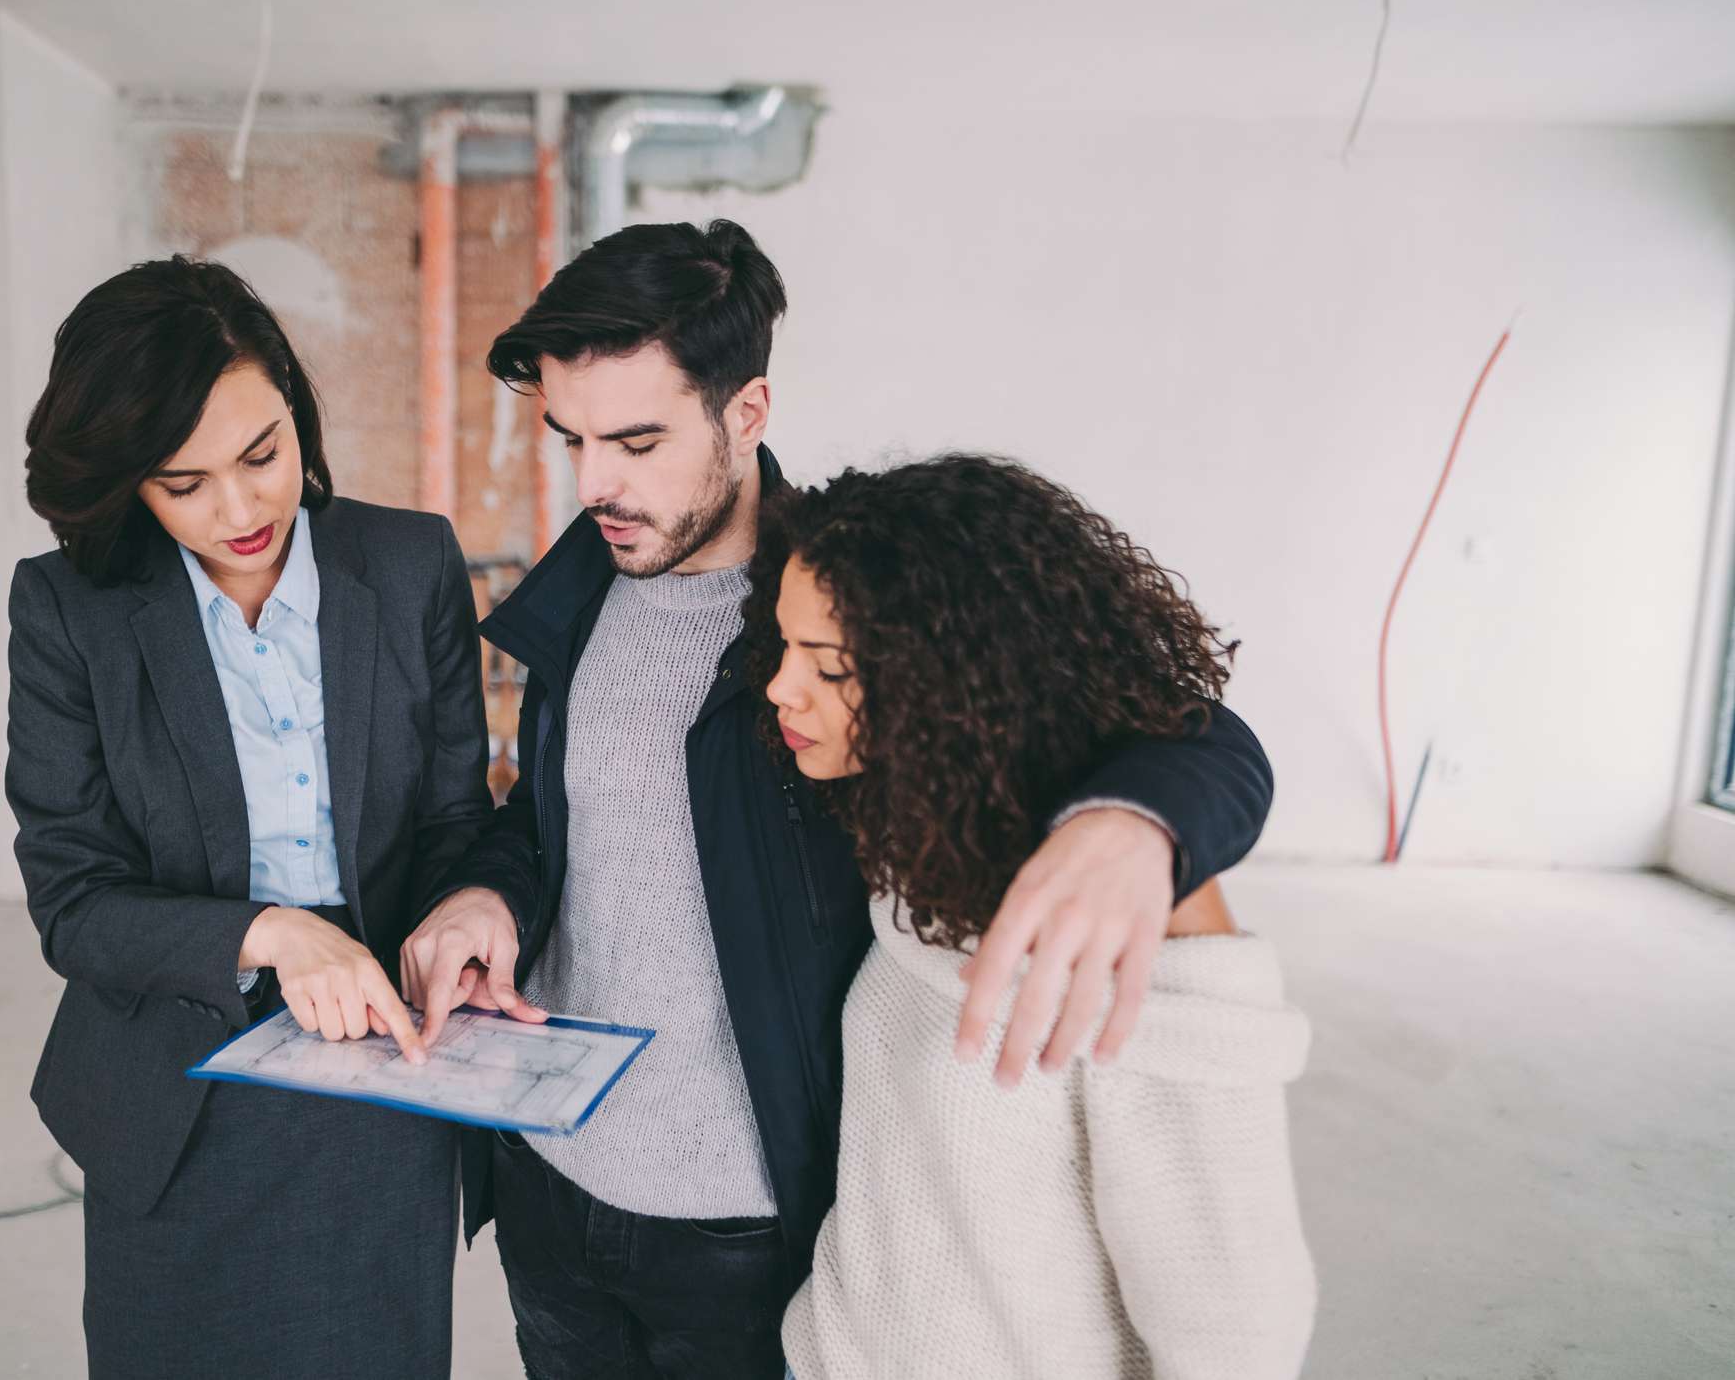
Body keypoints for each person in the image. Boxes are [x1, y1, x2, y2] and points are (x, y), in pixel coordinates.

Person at [399, 219, 1278, 1378]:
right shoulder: (582, 592)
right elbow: (558, 817)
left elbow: (1186, 733)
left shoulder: (845, 603)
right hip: (553, 1190)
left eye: (637, 439)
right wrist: (485, 897)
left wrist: (1131, 826)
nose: (594, 484)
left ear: (747, 412)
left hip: (752, 1226)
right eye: (569, 439)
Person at [4, 257, 487, 1377]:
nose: (239, 510)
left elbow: (460, 818)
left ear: (297, 413)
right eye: (183, 483)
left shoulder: (408, 563)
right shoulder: (68, 609)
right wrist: (267, 930)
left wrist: (468, 903)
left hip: (381, 1068)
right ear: (129, 483)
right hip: (174, 1084)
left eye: (262, 454)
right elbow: (73, 900)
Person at [760, 454, 1314, 1379]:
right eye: (784, 648)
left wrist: (1144, 826)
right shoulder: (917, 838)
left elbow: (1236, 1326)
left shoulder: (1132, 923)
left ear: (955, 680)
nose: (782, 688)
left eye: (827, 666)